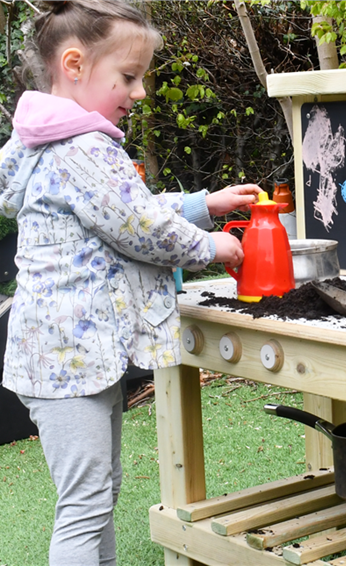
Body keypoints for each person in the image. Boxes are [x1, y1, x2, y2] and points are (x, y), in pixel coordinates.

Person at [0, 1, 263, 564]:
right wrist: (210, 245)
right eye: (128, 76)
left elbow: (125, 208)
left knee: (99, 494)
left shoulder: (53, 141)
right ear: (74, 64)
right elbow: (139, 227)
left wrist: (201, 204)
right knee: (85, 505)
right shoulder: (82, 148)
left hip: (70, 358)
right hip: (67, 360)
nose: (139, 92)